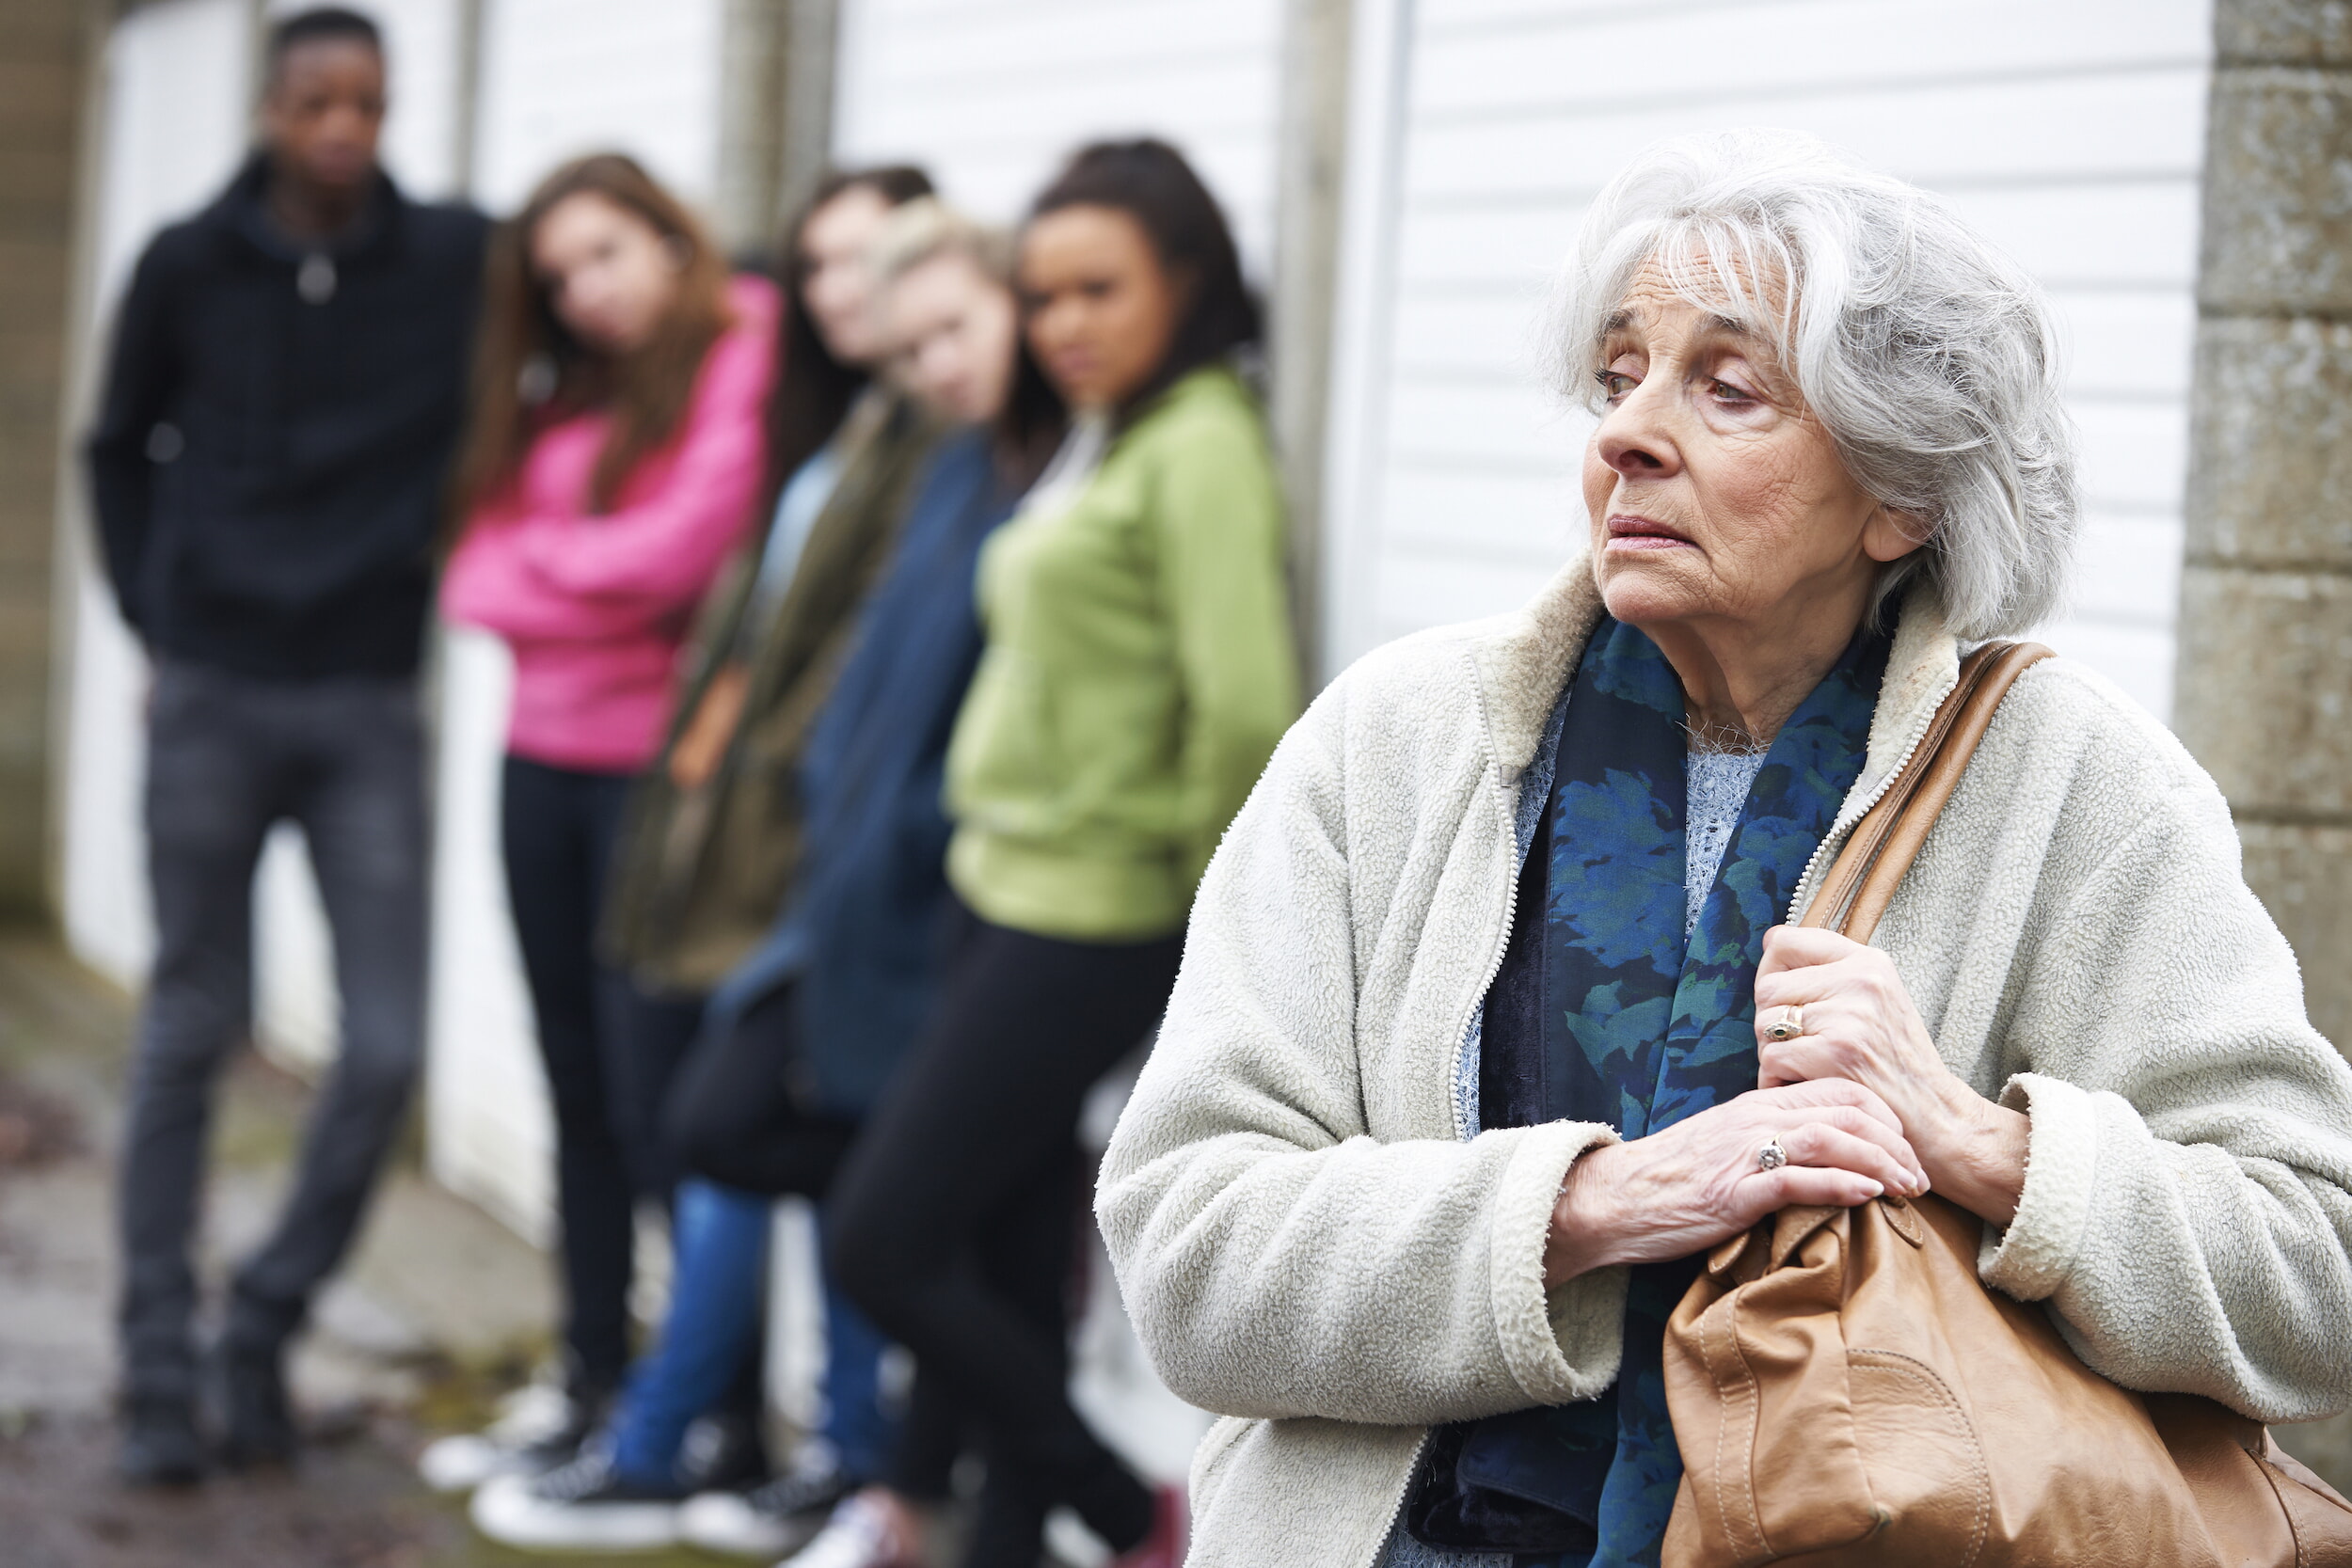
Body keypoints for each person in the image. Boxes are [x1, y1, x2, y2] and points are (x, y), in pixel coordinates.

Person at [1094, 128, 2352, 1568]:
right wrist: (1584, 1207)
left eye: (1728, 386)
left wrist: (1986, 1147)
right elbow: (1185, 1243)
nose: (1626, 432)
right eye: (1619, 375)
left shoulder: (2078, 789)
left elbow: (2317, 1274)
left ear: (1904, 495)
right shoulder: (1397, 744)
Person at [468, 198, 1059, 1559]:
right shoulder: (878, 435)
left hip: (879, 877)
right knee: (735, 1134)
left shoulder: (971, 459)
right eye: (822, 270)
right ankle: (761, 1445)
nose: (847, 299)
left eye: (888, 280)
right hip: (799, 849)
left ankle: (818, 1458)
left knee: (819, 1163)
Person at [819, 138, 1303, 1568]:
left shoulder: (1204, 441)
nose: (1064, 325)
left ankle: (1117, 1505)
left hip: (1088, 918)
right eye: (1041, 296)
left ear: (1191, 284)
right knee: (1010, 1259)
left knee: (882, 1239)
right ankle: (1008, 1545)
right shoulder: (1111, 430)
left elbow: (1244, 717)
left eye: (1100, 290)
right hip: (998, 887)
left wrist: (1192, 928)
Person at [84, 7, 489, 1484]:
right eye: (317, 100)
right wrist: (158, 623)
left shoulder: (453, 260)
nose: (343, 128)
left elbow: (614, 294)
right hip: (213, 695)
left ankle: (261, 1326)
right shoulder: (187, 263)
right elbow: (114, 448)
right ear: (269, 108)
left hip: (366, 705)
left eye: (369, 104)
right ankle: (154, 1374)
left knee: (382, 1048)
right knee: (192, 1028)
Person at [435, 152, 778, 1480]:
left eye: (605, 255)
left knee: (662, 1107)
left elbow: (685, 549)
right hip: (537, 766)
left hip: (657, 780)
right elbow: (470, 570)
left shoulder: (739, 340)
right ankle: (589, 1373)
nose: (586, 294)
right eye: (561, 276)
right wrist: (575, 575)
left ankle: (720, 1418)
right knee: (574, 1082)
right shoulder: (558, 389)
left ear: (669, 235)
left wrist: (549, 565)